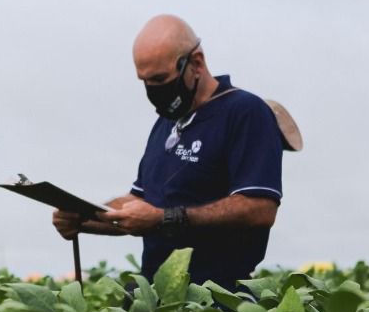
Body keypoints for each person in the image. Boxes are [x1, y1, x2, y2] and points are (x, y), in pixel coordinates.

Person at [51, 14, 284, 291]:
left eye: (161, 79)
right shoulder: (166, 123)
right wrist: (83, 218)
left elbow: (259, 208)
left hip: (216, 298)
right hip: (153, 295)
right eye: (145, 82)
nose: (153, 91)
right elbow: (140, 203)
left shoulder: (245, 112)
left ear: (196, 62)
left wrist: (165, 219)